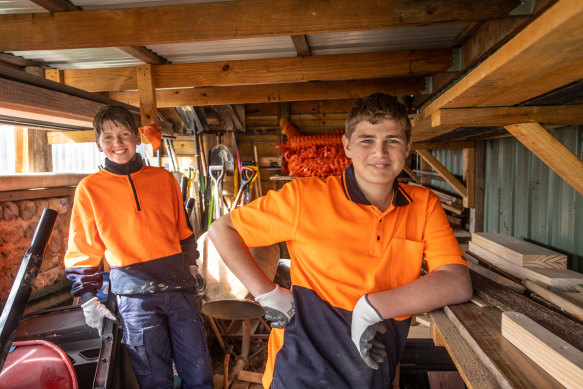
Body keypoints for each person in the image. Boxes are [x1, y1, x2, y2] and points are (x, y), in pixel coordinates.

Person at [208, 93, 473, 388]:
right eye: (367, 140)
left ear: (408, 146)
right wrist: (267, 294)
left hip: (374, 372)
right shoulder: (305, 198)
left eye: (393, 140)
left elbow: (457, 281)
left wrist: (372, 308)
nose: (380, 152)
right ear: (347, 145)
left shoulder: (424, 205)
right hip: (298, 373)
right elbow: (222, 230)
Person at [64, 105, 213, 389]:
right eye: (108, 137)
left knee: (199, 370)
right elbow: (82, 247)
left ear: (136, 137)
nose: (117, 144)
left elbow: (183, 231)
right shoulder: (90, 189)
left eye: (123, 134)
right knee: (154, 378)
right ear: (98, 144)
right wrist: (87, 296)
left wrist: (192, 266)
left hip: (179, 289)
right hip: (135, 298)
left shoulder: (164, 178)